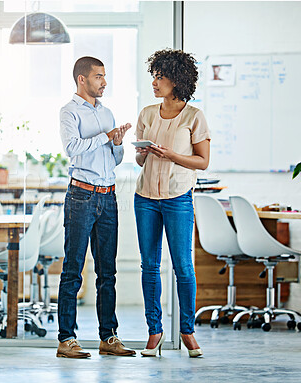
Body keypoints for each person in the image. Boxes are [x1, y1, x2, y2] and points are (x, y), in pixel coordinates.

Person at [134, 49, 211, 357]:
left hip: (178, 198)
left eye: (161, 77)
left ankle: (188, 332)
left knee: (183, 267)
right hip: (146, 199)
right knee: (149, 266)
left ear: (177, 80)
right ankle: (154, 332)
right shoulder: (147, 113)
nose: (155, 82)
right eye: (154, 75)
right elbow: (140, 160)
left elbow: (202, 162)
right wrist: (143, 153)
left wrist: (172, 155)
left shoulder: (194, 116)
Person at [57, 56, 135, 359]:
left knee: (108, 272)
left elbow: (113, 159)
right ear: (82, 79)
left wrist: (117, 142)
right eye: (99, 76)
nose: (104, 82)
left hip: (108, 196)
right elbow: (73, 148)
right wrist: (105, 136)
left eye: (105, 76)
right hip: (81, 196)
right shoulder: (69, 112)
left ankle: (109, 337)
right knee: (73, 270)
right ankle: (67, 340)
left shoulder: (107, 112)